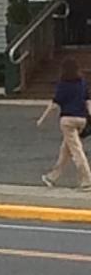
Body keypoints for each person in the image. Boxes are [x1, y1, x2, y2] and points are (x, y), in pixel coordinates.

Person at [37, 58, 91, 191]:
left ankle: (87, 180)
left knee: (76, 150)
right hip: (82, 119)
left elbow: (54, 103)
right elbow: (88, 102)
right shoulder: (83, 83)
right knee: (65, 150)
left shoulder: (63, 84)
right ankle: (52, 177)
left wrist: (42, 119)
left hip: (67, 121)